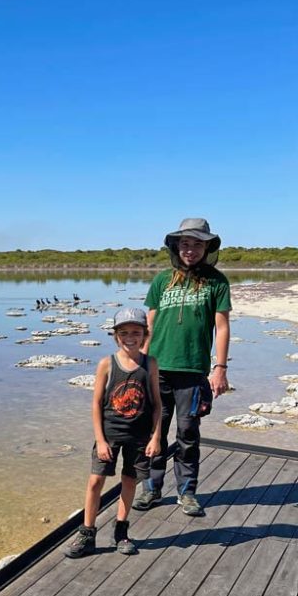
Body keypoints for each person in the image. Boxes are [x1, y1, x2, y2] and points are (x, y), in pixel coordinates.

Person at [133, 218, 231, 517]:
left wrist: (220, 368)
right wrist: (139, 364)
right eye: (185, 244)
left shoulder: (217, 281)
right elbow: (149, 323)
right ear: (176, 247)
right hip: (157, 369)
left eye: (197, 244)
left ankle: (187, 492)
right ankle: (151, 487)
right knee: (155, 431)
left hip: (193, 370)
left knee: (188, 432)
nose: (190, 249)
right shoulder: (162, 280)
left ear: (207, 247)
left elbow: (223, 327)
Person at [65, 307, 162, 558]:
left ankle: (121, 529)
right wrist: (100, 439)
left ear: (144, 335)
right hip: (109, 435)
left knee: (130, 480)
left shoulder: (150, 363)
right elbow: (96, 403)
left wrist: (155, 437)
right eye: (124, 332)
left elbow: (157, 403)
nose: (130, 337)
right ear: (116, 336)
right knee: (96, 481)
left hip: (139, 436)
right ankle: (87, 533)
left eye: (136, 332)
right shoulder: (107, 364)